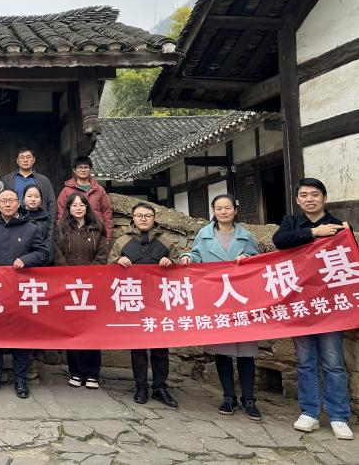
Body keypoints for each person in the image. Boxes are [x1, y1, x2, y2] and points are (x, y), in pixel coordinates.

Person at [272, 178, 353, 440]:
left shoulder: (339, 225)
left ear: (324, 198)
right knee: (305, 362)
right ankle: (310, 412)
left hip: (329, 306)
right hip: (300, 305)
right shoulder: (291, 223)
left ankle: (339, 416)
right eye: (304, 195)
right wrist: (314, 233)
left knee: (333, 363)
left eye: (315, 194)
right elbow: (279, 241)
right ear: (297, 200)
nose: (310, 199)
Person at [180, 194, 262, 420]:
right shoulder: (204, 235)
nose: (223, 212)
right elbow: (195, 254)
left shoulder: (246, 236)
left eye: (227, 208)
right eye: (219, 208)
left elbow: (258, 261)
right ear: (213, 211)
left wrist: (248, 258)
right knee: (222, 352)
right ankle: (228, 397)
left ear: (235, 210)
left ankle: (249, 399)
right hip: (216, 299)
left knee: (246, 353)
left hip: (241, 299)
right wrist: (187, 257)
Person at [0, 189, 49, 399]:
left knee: (20, 338)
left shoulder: (31, 228)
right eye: (3, 201)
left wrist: (26, 260)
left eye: (11, 200)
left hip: (20, 292)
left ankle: (20, 381)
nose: (7, 204)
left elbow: (43, 252)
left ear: (18, 203)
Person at [108, 202, 180, 408]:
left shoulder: (166, 242)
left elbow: (181, 265)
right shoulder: (122, 242)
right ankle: (140, 386)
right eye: (139, 215)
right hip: (134, 302)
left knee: (160, 348)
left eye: (147, 215)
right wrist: (117, 261)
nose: (143, 219)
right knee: (138, 348)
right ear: (133, 218)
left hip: (160, 301)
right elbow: (109, 265)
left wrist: (171, 262)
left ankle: (160, 387)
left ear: (154, 218)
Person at [54, 193, 109, 389]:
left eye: (81, 205)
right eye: (74, 205)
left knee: (92, 329)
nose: (78, 208)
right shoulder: (61, 229)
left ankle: (92, 373)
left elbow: (103, 253)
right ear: (68, 209)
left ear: (87, 207)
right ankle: (76, 372)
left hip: (92, 285)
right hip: (69, 286)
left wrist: (91, 274)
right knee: (73, 330)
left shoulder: (97, 228)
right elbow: (57, 253)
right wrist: (67, 274)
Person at [56, 155, 114, 240]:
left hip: (97, 232)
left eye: (86, 167)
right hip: (73, 233)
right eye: (80, 167)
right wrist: (61, 236)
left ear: (90, 169)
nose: (83, 170)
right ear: (74, 170)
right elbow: (60, 214)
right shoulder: (66, 191)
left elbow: (107, 213)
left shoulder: (99, 190)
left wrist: (107, 236)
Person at [2, 146, 57, 223]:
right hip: (14, 221)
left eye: (28, 157)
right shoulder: (8, 179)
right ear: (17, 160)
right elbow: (2, 201)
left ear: (33, 160)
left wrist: (51, 223)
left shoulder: (44, 180)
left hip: (38, 222)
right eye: (22, 157)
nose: (25, 160)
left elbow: (52, 204)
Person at [20, 185, 53, 258]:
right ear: (23, 199)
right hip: (21, 258)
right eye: (29, 196)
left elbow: (49, 239)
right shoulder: (18, 216)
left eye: (36, 196)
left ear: (41, 200)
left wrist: (44, 255)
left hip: (42, 256)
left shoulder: (47, 217)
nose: (33, 199)